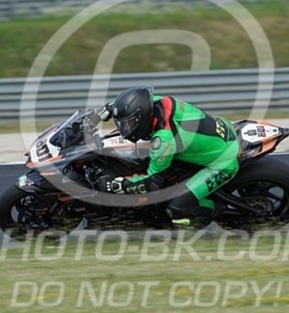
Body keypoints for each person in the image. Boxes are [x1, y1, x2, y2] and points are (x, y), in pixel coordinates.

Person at [99, 86, 240, 227]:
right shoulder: (157, 103)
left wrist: (119, 185)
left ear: (142, 117)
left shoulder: (164, 140)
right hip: (220, 133)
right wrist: (110, 109)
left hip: (223, 162)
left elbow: (153, 183)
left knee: (177, 209)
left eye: (129, 123)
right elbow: (137, 103)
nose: (125, 129)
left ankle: (223, 212)